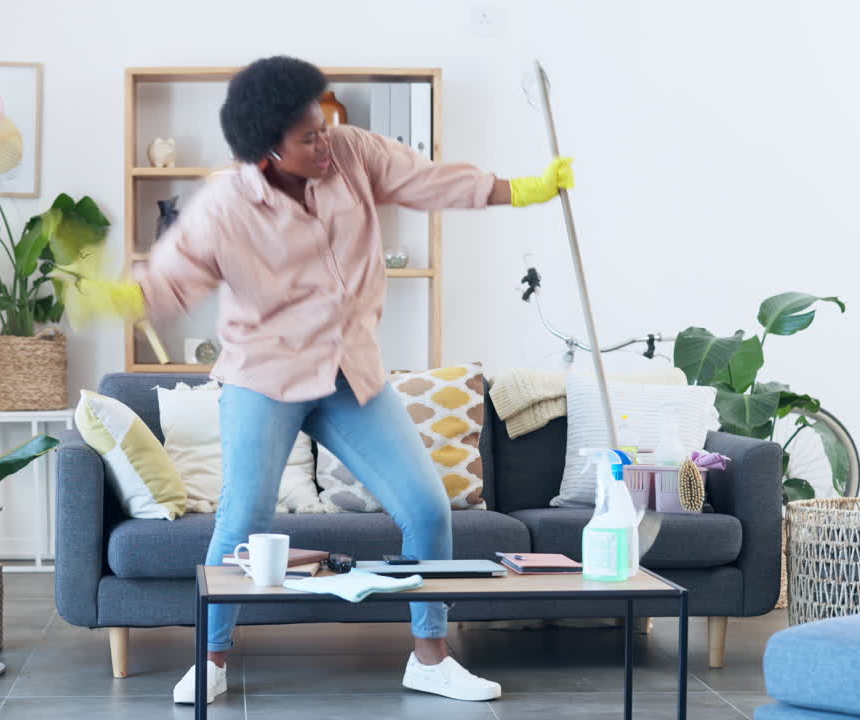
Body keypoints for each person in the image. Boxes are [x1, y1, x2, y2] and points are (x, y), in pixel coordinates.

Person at [77, 56, 573, 705]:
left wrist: (515, 189)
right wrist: (121, 297)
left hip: (348, 371)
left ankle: (428, 656)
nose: (324, 140)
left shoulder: (351, 152)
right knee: (244, 517)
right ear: (265, 153)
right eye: (308, 136)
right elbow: (175, 277)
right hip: (264, 375)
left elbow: (426, 181)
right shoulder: (227, 206)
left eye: (324, 123)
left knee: (426, 507)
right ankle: (212, 658)